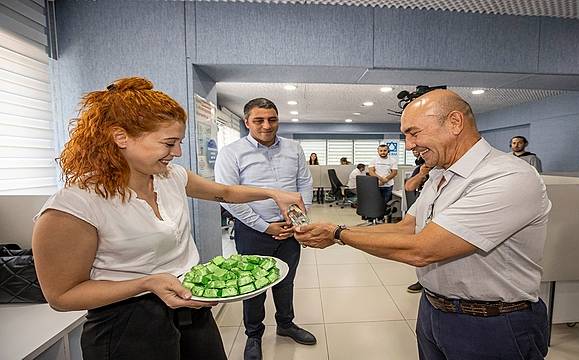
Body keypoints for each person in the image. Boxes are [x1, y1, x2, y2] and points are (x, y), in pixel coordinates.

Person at [31, 77, 305, 360]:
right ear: (121, 137)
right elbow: (62, 296)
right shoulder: (74, 205)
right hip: (127, 323)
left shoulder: (170, 177)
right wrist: (146, 283)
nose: (178, 153)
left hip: (191, 311)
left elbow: (224, 191)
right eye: (169, 143)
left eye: (179, 142)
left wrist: (274, 194)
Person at [295, 88, 551, 360]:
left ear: (454, 123)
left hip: (493, 323)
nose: (408, 145)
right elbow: (407, 227)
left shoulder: (507, 176)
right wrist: (337, 233)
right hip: (433, 311)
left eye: (414, 133)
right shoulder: (441, 175)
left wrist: (339, 233)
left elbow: (423, 249)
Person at [214, 98, 316, 360]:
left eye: (272, 119)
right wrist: (265, 227)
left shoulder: (294, 149)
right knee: (254, 286)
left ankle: (285, 324)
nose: (266, 125)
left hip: (290, 230)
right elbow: (230, 198)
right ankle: (253, 335)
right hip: (253, 231)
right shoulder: (232, 152)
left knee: (286, 281)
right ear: (247, 121)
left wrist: (298, 221)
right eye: (259, 120)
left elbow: (304, 183)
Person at [404, 149, 432, 294]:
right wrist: (422, 174)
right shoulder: (420, 169)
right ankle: (422, 280)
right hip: (423, 212)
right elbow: (409, 187)